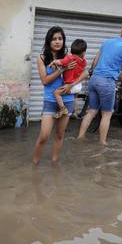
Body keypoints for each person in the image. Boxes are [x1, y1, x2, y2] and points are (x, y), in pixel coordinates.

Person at [77, 21, 122, 145]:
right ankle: (102, 143)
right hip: (106, 81)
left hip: (94, 79)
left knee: (92, 110)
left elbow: (95, 61)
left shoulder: (107, 42)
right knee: (106, 114)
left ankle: (80, 137)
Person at [32, 26, 87, 165]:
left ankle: (54, 164)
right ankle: (34, 164)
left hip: (67, 99)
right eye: (54, 39)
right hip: (50, 100)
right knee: (44, 135)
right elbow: (45, 81)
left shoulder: (68, 57)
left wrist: (70, 85)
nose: (57, 41)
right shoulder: (42, 58)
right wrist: (62, 69)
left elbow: (85, 73)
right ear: (48, 41)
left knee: (59, 135)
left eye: (60, 38)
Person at [49, 39, 87, 118]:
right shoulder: (84, 62)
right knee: (74, 97)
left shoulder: (70, 58)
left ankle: (62, 109)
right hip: (78, 85)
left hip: (70, 85)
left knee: (56, 93)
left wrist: (53, 62)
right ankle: (74, 112)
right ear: (83, 52)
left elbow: (60, 62)